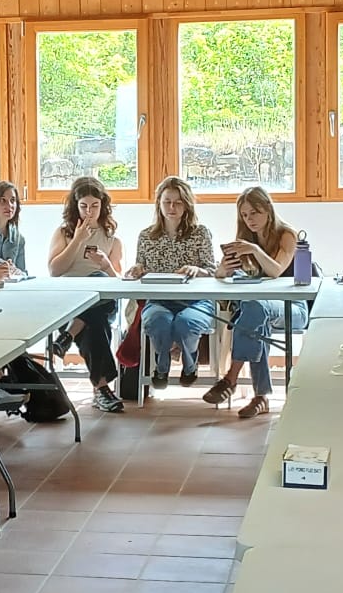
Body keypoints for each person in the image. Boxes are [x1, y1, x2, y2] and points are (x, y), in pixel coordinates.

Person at [206, 186, 306, 418]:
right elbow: (222, 277)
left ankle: (231, 378)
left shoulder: (286, 235)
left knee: (253, 311)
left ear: (268, 211)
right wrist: (223, 269)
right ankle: (261, 398)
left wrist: (255, 250)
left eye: (254, 213)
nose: (249, 219)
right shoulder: (246, 238)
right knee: (254, 316)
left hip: (292, 307)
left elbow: (276, 270)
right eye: (245, 215)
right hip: (260, 309)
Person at [125, 175, 217, 388]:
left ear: (186, 205)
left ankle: (190, 364)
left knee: (185, 323)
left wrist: (198, 270)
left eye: (177, 202)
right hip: (159, 300)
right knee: (158, 321)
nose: (172, 207)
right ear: (159, 204)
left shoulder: (200, 233)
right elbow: (141, 267)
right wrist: (138, 269)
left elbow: (212, 270)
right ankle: (162, 366)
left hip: (196, 300)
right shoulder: (147, 235)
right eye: (167, 202)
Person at [46, 176, 125, 413]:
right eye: (83, 206)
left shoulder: (112, 237)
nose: (89, 212)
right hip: (70, 299)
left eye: (94, 206)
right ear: (75, 206)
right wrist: (78, 240)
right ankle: (102, 390)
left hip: (102, 298)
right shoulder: (64, 233)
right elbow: (54, 270)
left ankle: (68, 336)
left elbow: (118, 282)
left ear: (103, 206)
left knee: (99, 285)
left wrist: (104, 265)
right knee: (95, 326)